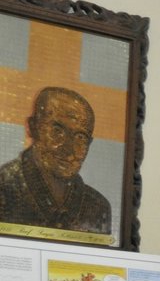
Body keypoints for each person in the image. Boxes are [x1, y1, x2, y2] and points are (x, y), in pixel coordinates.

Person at [0, 87, 112, 236]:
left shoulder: (97, 207)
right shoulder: (4, 188)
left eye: (80, 137)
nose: (69, 149)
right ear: (32, 127)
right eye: (57, 131)